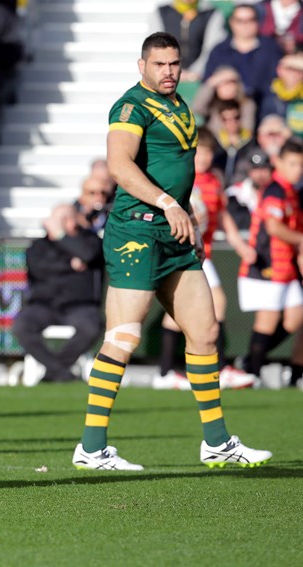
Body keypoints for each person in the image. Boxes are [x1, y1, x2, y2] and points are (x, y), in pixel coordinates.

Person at [72, 32, 271, 472]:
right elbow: (120, 166)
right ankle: (91, 446)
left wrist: (190, 217)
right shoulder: (130, 106)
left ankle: (217, 443)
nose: (168, 71)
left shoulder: (180, 105)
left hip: (175, 234)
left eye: (174, 64)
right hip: (136, 233)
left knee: (205, 333)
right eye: (159, 64)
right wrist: (165, 203)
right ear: (141, 65)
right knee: (123, 339)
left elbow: (178, 171)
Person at [153, 127, 257, 390]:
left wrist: (239, 244)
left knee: (181, 312)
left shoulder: (213, 180)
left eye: (209, 154)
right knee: (209, 304)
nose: (204, 159)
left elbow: (222, 215)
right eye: (200, 154)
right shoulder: (182, 178)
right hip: (184, 251)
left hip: (202, 251)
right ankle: (215, 368)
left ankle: (167, 373)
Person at [12, 204, 104, 383]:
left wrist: (62, 237)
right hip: (44, 305)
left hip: (79, 305)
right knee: (22, 326)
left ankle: (53, 371)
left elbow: (88, 255)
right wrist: (70, 265)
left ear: (70, 221)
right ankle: (60, 371)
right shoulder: (39, 245)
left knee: (91, 327)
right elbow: (39, 268)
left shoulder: (90, 241)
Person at [237, 138, 303, 381]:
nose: (298, 169)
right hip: (267, 264)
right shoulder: (275, 189)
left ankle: (250, 361)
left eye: (301, 164)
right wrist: (300, 239)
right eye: (294, 163)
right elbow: (273, 227)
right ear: (280, 163)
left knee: (296, 317)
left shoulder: (291, 192)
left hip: (286, 268)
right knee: (267, 320)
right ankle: (252, 372)